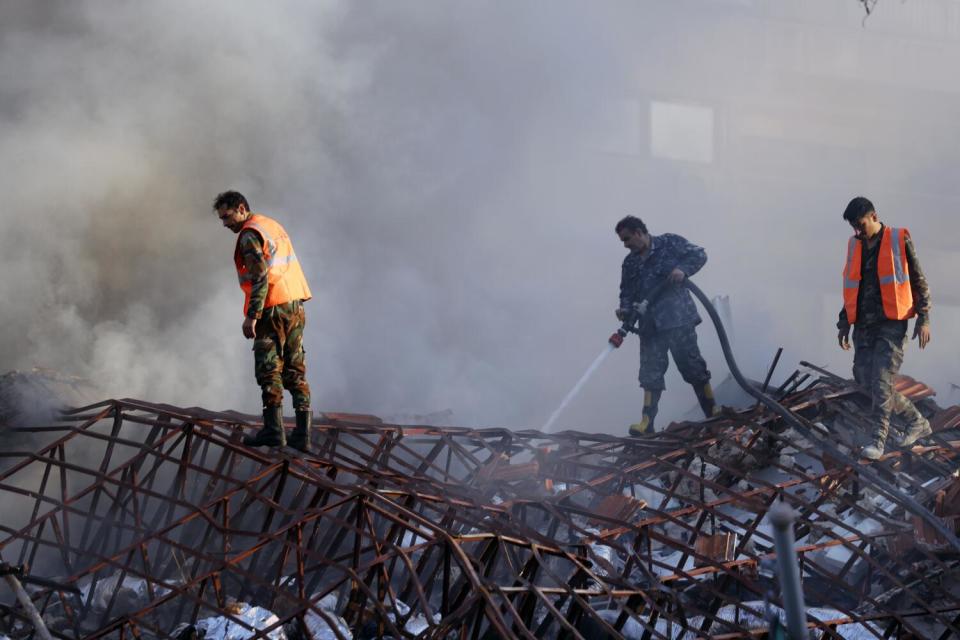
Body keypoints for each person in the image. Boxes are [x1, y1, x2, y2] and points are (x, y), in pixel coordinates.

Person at [213, 191, 314, 453]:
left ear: (241, 208)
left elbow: (260, 278)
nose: (226, 224)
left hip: (271, 308)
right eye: (222, 219)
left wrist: (252, 316)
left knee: (269, 368)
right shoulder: (270, 225)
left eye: (227, 216)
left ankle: (274, 431)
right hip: (294, 304)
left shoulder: (249, 235)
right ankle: (303, 434)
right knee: (296, 368)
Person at [838, 196, 932, 460]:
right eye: (854, 228)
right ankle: (917, 421)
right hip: (864, 326)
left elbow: (918, 279)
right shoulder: (854, 245)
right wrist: (844, 323)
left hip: (892, 324)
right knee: (865, 379)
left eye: (860, 225)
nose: (857, 231)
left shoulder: (897, 240)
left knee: (881, 380)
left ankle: (877, 442)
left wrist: (924, 318)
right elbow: (850, 285)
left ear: (874, 216)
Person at [615, 215, 717, 435]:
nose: (625, 245)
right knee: (650, 374)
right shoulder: (630, 262)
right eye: (622, 241)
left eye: (627, 239)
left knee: (693, 367)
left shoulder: (669, 243)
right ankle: (646, 423)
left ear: (639, 232)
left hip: (678, 320)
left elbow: (699, 254)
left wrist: (683, 270)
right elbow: (626, 291)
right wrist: (624, 310)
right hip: (650, 327)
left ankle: (712, 411)